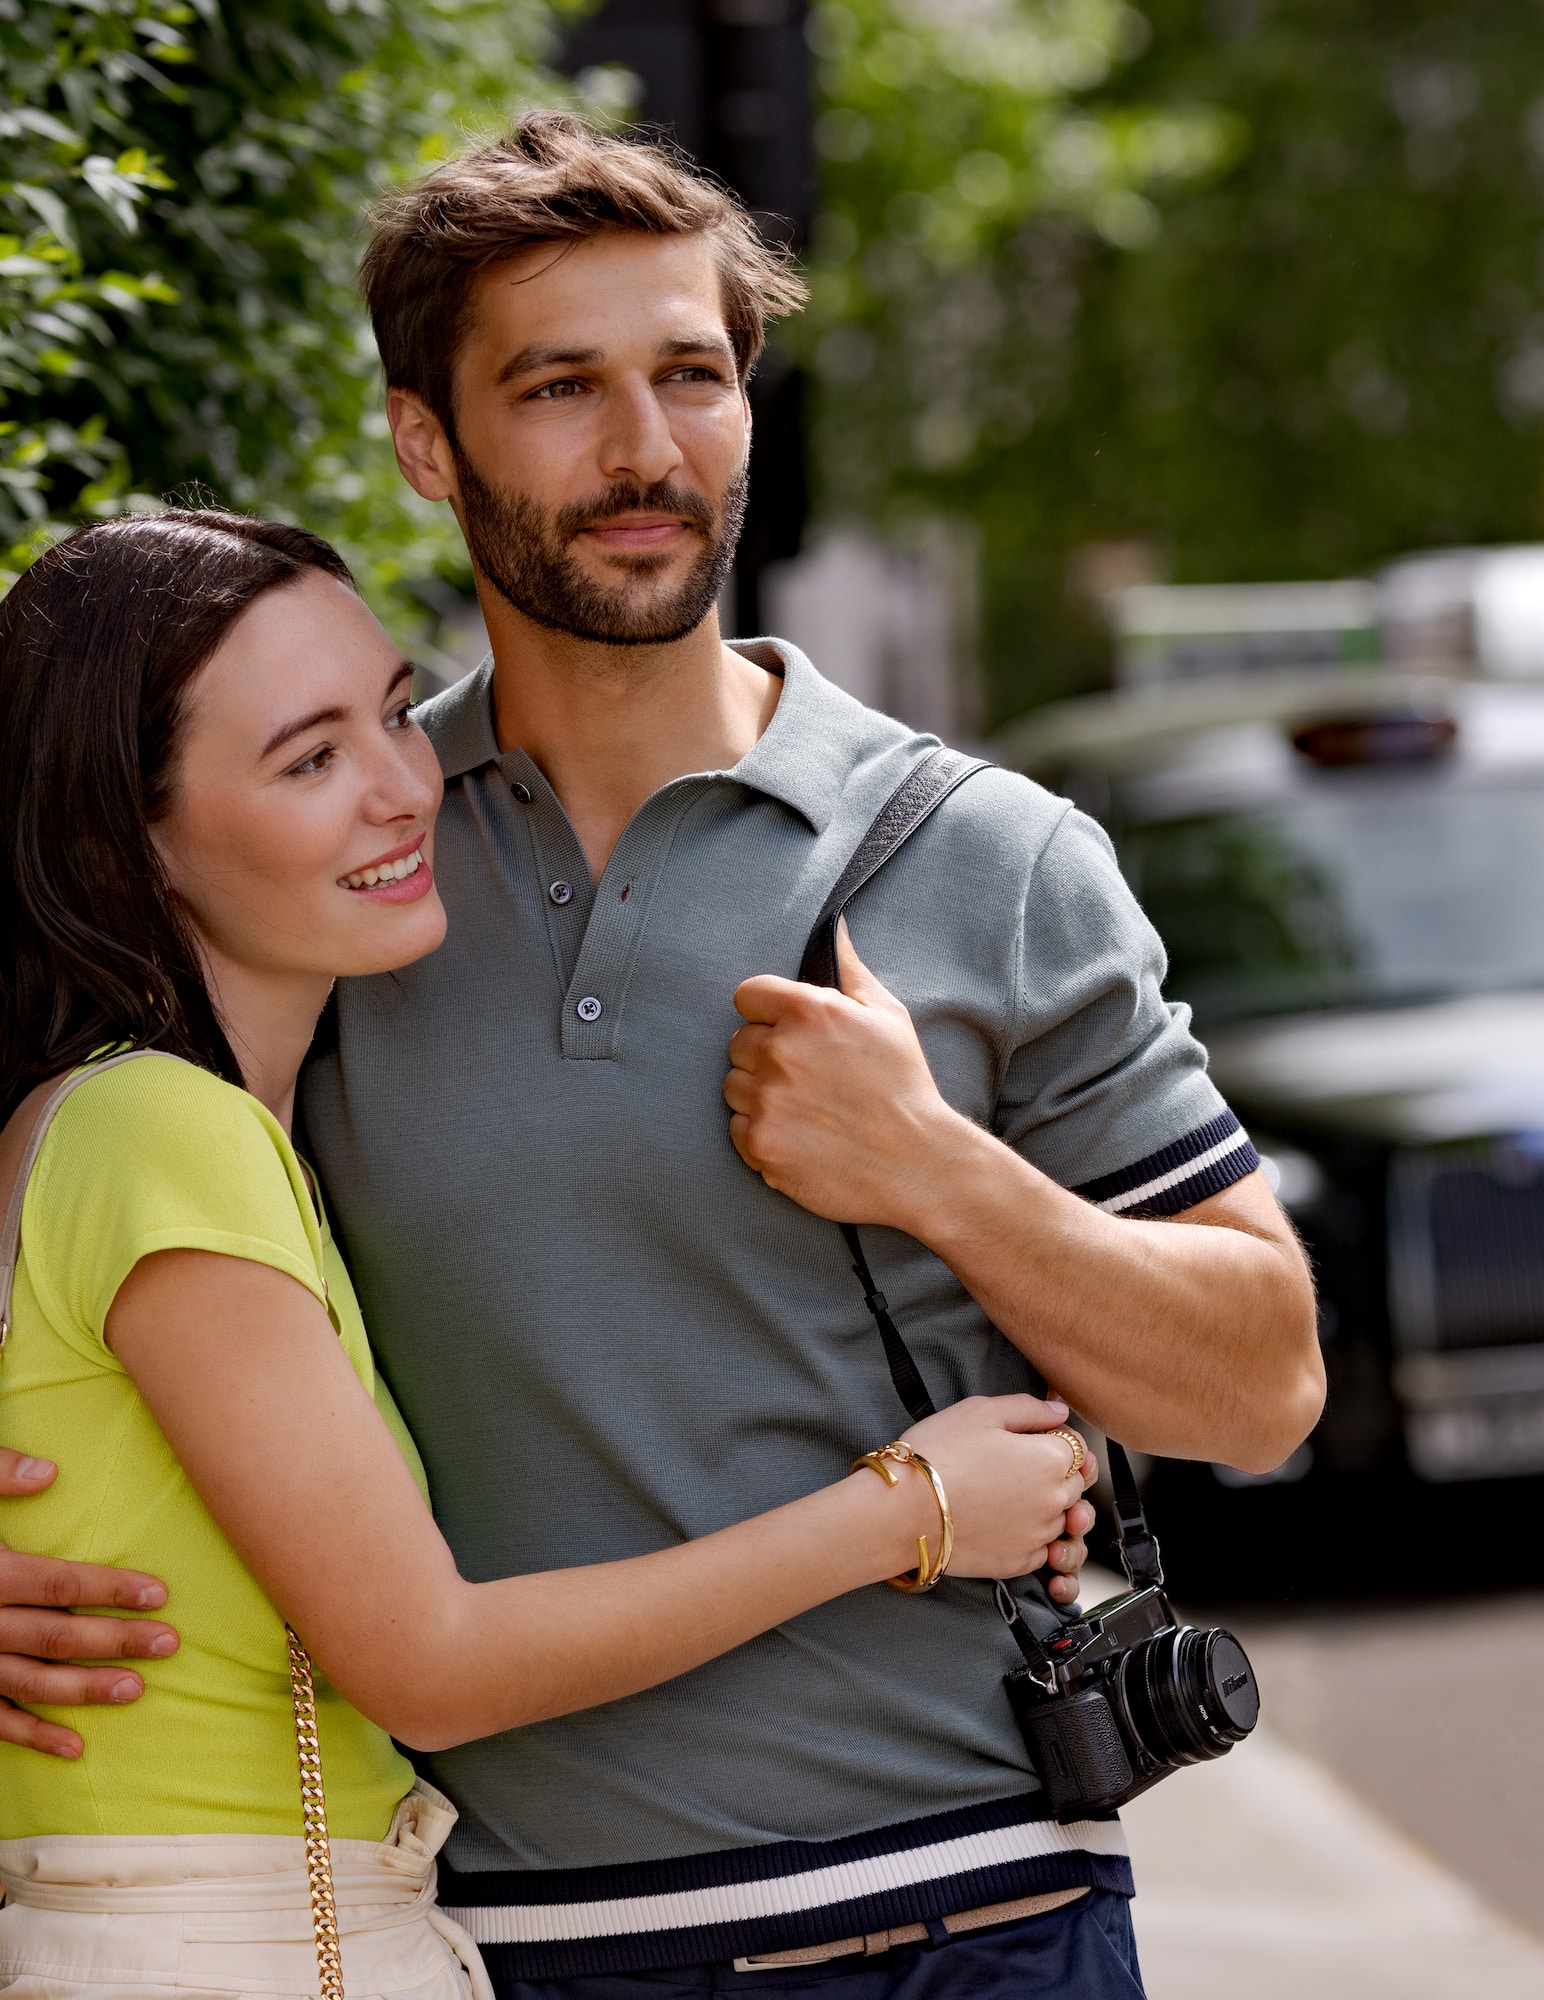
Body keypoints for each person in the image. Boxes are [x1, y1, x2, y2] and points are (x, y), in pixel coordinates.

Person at [2, 114, 1324, 1996]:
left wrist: (937, 1168)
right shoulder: (339, 863)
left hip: (966, 1920)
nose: (646, 450)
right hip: (510, 1948)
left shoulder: (987, 858)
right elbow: (68, 1240)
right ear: (424, 442)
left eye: (691, 375)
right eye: (559, 388)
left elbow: (1262, 1387)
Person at [0, 509, 1095, 1997]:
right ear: (124, 835)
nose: (400, 789)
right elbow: (427, 1662)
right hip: (231, 1941)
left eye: (393, 712)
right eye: (308, 759)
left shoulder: (159, 1125)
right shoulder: (163, 1135)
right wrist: (908, 1507)